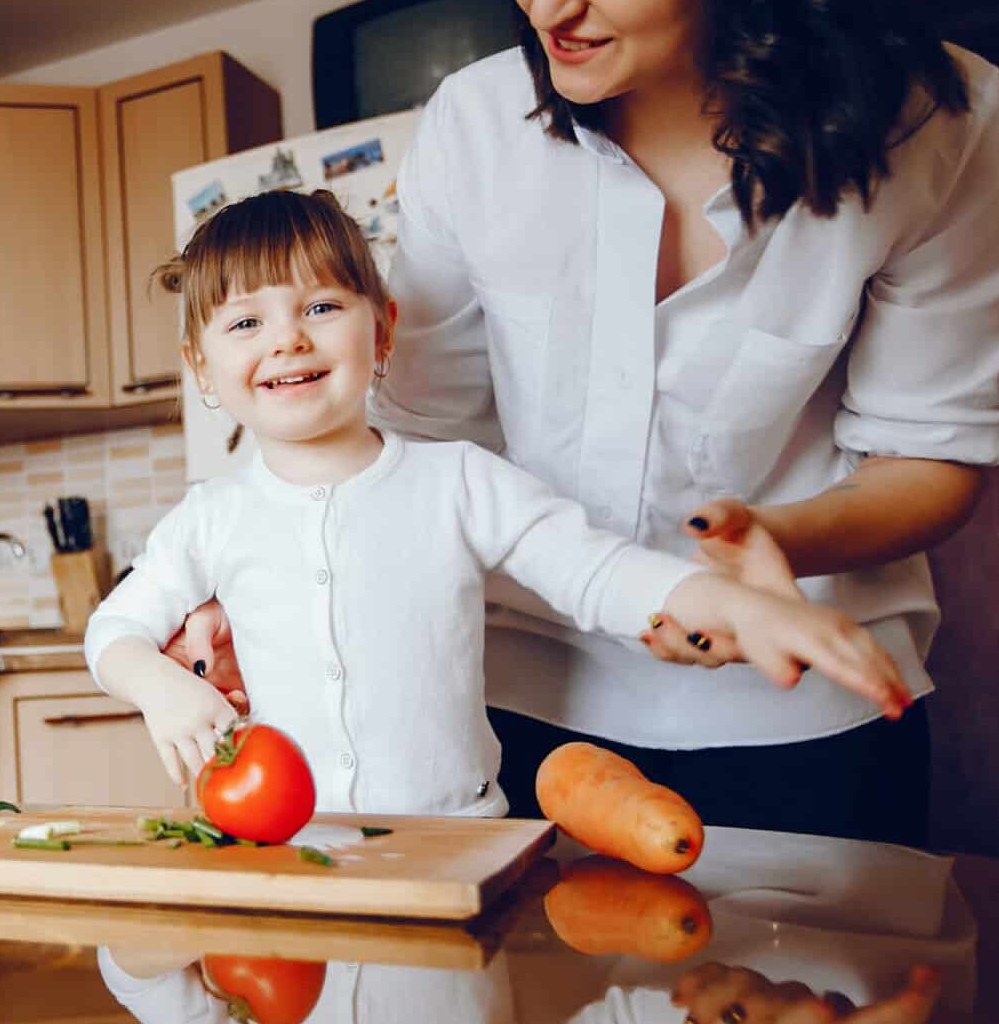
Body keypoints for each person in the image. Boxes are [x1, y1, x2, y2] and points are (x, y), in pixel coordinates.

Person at [165, 0, 999, 845]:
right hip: (516, 709)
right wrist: (272, 574)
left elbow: (930, 449)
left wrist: (776, 541)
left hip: (800, 698)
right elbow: (417, 445)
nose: (548, 8)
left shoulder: (936, 126)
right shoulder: (476, 123)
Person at [84, 188, 908, 813]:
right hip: (289, 856)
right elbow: (113, 631)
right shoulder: (209, 516)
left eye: (323, 306)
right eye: (244, 325)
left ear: (384, 330)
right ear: (201, 368)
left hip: (464, 845)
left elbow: (599, 572)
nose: (287, 339)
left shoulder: (461, 481)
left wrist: (739, 606)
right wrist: (164, 688)